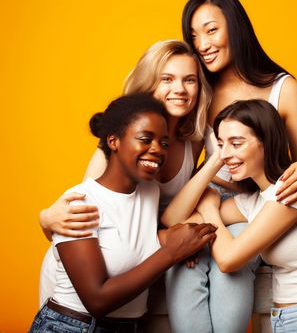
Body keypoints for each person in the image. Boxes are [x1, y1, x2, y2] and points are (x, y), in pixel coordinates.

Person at [162, 0, 297, 332]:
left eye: (211, 30)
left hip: (255, 207)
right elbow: (188, 169)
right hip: (209, 198)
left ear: (235, 27)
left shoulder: (283, 88)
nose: (203, 44)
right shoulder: (200, 90)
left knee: (233, 261)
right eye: (194, 36)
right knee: (185, 262)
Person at [38, 39, 218, 305]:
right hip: (83, 283)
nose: (179, 89)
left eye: (189, 80)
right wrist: (44, 219)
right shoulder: (116, 143)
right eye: (166, 79)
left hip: (138, 262)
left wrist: (176, 237)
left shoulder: (195, 138)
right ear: (148, 84)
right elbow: (86, 219)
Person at [30, 93, 217, 332]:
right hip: (73, 326)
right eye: (145, 139)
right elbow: (97, 300)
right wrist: (171, 252)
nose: (157, 150)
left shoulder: (149, 191)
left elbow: (131, 241)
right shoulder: (81, 203)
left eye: (164, 143)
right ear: (113, 141)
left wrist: (176, 240)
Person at [168, 99, 297, 332]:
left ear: (266, 141)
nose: (225, 155)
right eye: (220, 144)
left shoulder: (294, 188)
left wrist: (208, 208)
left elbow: (228, 260)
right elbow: (173, 220)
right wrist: (212, 168)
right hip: (285, 321)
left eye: (236, 143)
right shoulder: (254, 202)